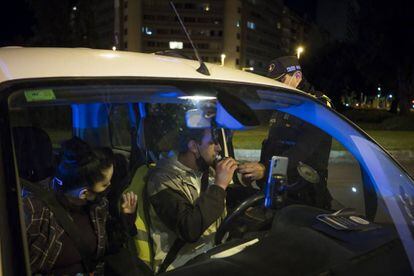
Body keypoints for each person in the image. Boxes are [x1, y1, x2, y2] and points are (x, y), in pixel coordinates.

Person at [23, 137, 138, 275]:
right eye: (105, 184)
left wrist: (126, 217)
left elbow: (111, 246)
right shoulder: (34, 210)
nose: (109, 186)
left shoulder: (97, 204)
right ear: (84, 193)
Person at [239, 56, 333, 209]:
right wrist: (258, 174)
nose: (275, 87)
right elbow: (272, 146)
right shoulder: (284, 104)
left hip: (306, 198)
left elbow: (304, 149)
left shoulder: (317, 104)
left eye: (280, 80)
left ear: (297, 77)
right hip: (279, 191)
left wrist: (265, 169)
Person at [146, 127, 237, 272]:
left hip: (212, 254)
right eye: (213, 143)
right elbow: (189, 228)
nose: (219, 148)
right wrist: (219, 185)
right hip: (180, 265)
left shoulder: (208, 170)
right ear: (194, 146)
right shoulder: (161, 180)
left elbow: (230, 200)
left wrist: (257, 174)